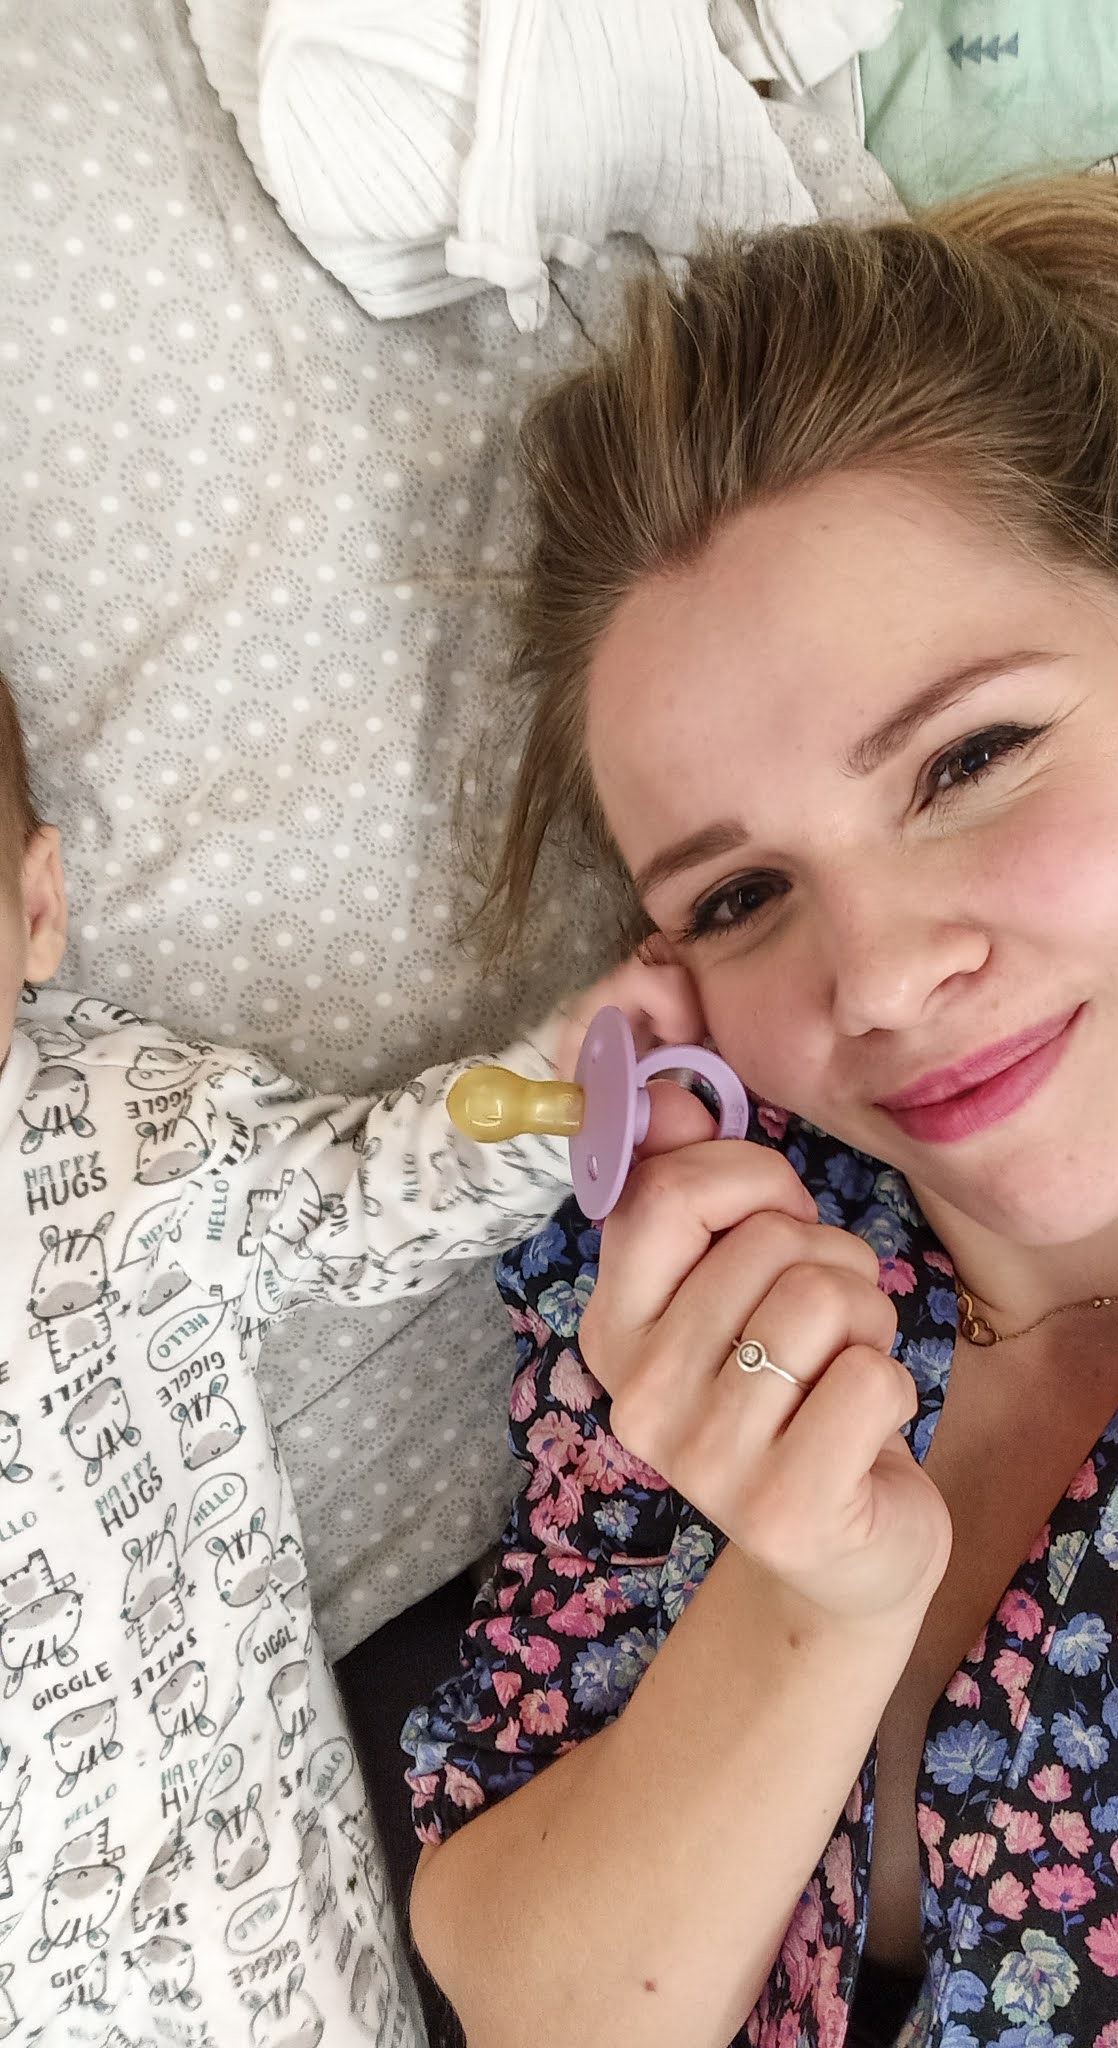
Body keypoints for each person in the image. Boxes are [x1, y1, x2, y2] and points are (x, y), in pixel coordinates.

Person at [402, 174, 1118, 2048]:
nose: (871, 977)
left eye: (967, 758)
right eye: (739, 894)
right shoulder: (694, 1286)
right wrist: (822, 1591)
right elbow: (543, 2002)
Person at [0, 664, 702, 2047]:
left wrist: (565, 1082)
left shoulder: (133, 1132)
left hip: (241, 1944)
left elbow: (358, 1199)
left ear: (35, 912)